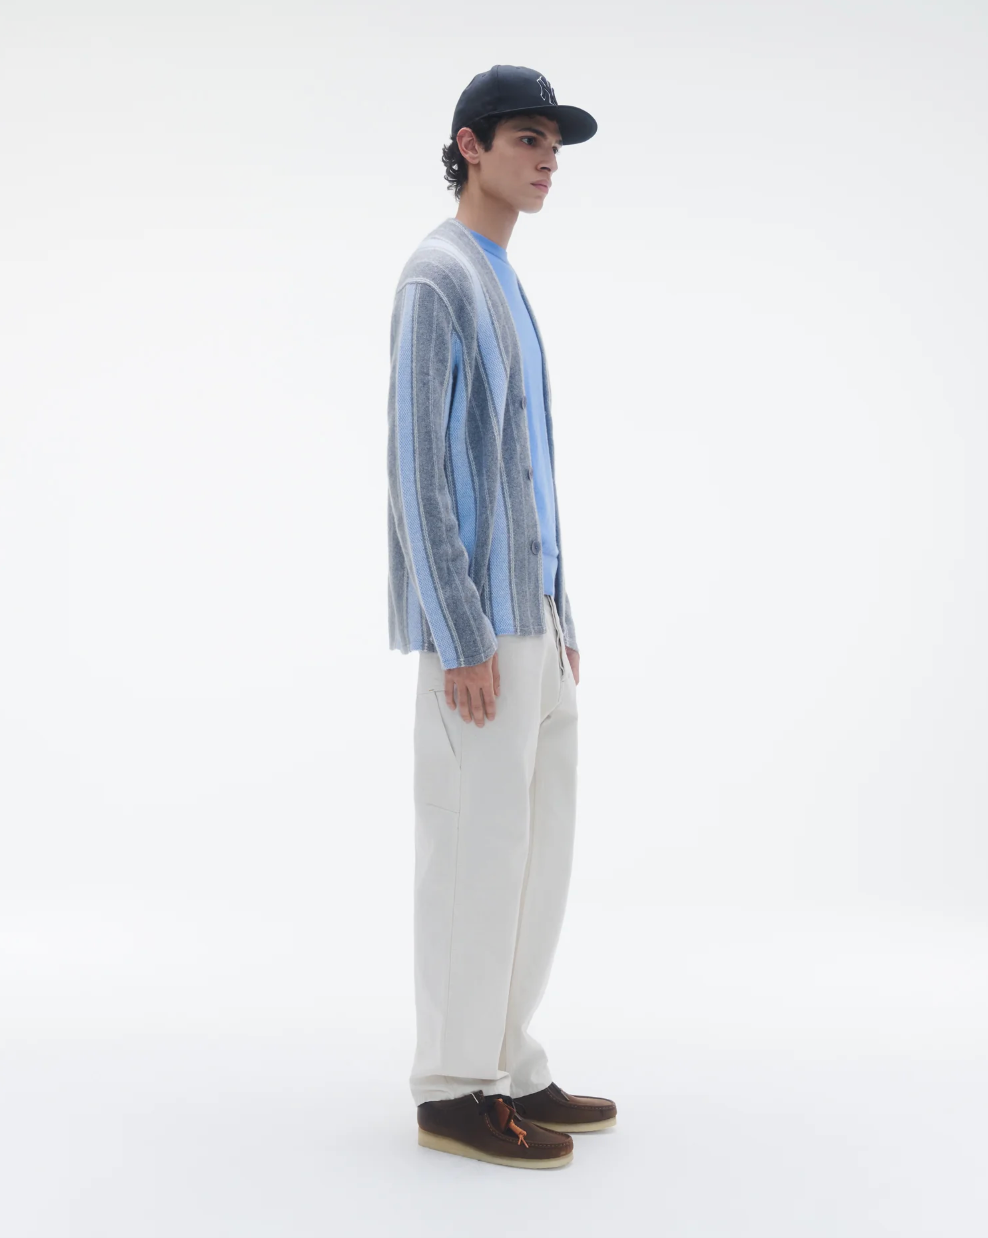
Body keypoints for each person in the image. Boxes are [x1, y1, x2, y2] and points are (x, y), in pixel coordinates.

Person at [386, 64, 616, 1170]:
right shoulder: (437, 277)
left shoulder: (505, 280)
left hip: (537, 619)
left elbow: (526, 464)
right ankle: (451, 1085)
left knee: (535, 852)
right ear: (469, 145)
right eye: (528, 137)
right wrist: (460, 631)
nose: (547, 158)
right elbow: (418, 470)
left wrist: (561, 611)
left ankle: (510, 1061)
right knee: (475, 854)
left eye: (554, 144)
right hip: (480, 629)